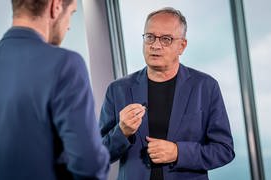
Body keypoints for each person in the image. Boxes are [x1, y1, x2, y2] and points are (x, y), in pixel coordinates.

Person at [0, 0, 110, 179]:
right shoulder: (65, 65)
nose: (69, 26)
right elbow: (90, 166)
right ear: (55, 6)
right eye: (71, 13)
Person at [99, 7, 235, 180]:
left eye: (166, 39)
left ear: (182, 46)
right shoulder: (117, 89)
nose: (155, 45)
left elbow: (224, 150)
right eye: (150, 37)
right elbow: (99, 155)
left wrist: (178, 152)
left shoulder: (206, 86)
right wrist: (122, 132)